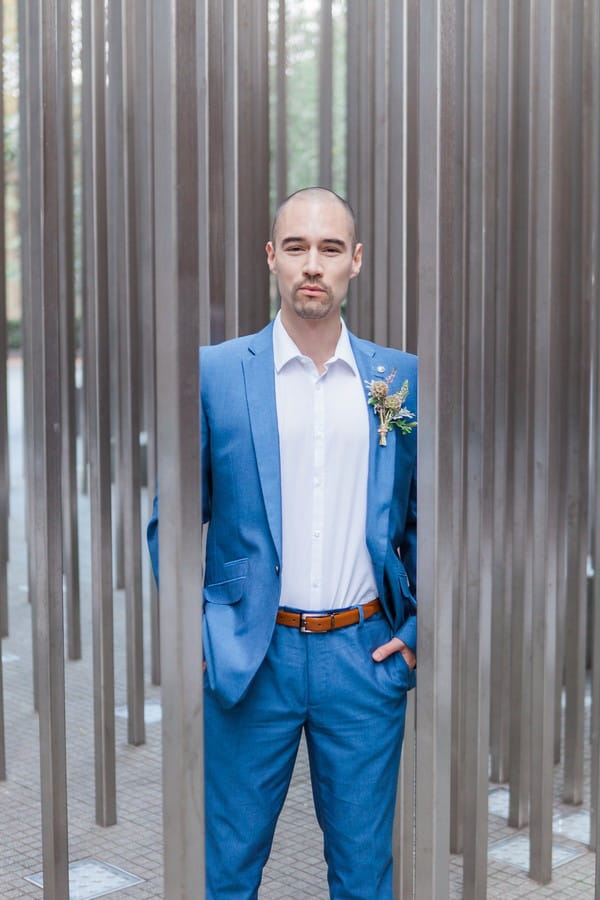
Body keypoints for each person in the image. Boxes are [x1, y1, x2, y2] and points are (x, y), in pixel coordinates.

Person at [147, 187, 417, 899]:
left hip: (364, 659)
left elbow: (427, 519)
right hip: (248, 658)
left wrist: (417, 627)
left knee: (364, 877)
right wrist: (198, 632)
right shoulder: (216, 374)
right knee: (227, 873)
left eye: (330, 249)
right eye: (296, 246)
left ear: (356, 262)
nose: (312, 264)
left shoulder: (399, 380)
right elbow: (168, 519)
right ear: (272, 258)